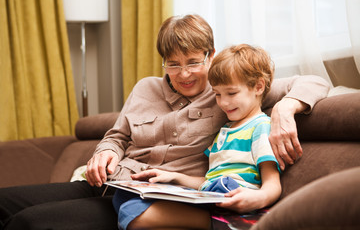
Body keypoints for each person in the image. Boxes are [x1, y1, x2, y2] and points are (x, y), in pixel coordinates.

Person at [0, 14, 329, 230]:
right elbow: (116, 135)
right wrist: (105, 152)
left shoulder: (226, 96)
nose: (184, 74)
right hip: (107, 183)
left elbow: (316, 82)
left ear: (210, 55)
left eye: (193, 62)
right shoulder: (145, 88)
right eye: (173, 64)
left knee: (30, 223)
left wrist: (285, 109)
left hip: (151, 198)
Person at [116, 43, 282, 229]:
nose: (224, 103)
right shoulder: (225, 130)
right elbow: (209, 180)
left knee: (133, 214)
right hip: (213, 198)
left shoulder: (261, 127)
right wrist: (173, 177)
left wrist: (256, 199)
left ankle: (224, 224)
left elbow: (273, 184)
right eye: (218, 94)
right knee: (124, 197)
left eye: (232, 93)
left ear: (258, 86)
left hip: (238, 207)